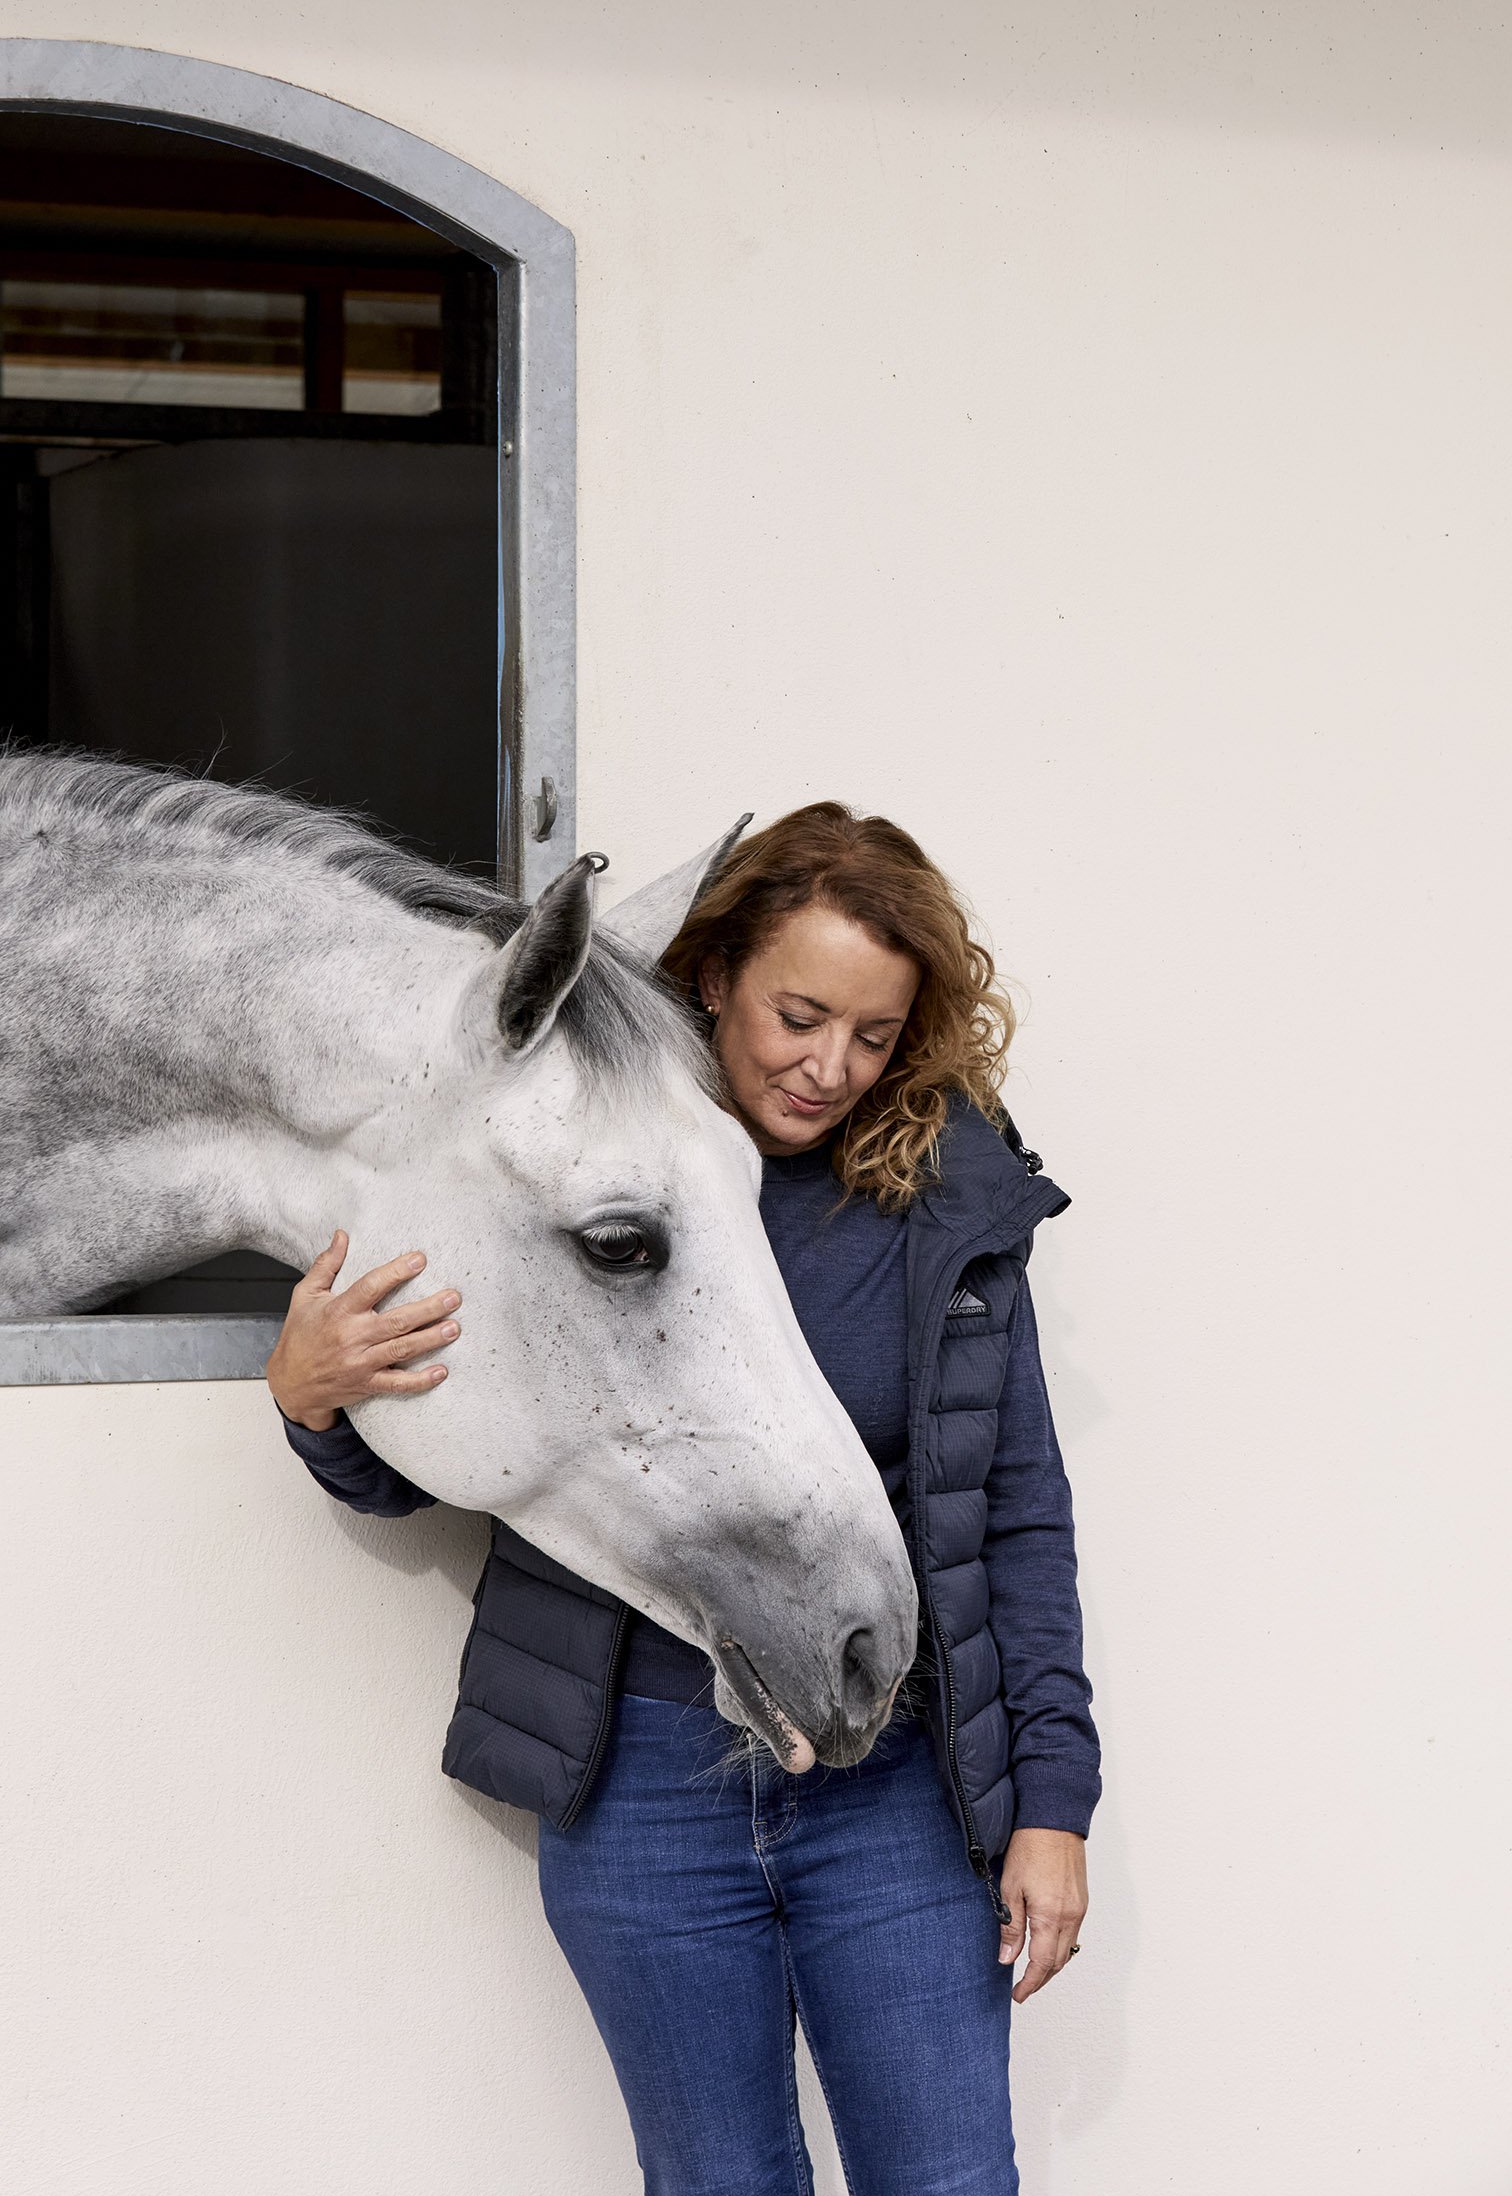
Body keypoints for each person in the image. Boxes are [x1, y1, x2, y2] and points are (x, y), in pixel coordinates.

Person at [266, 801, 1100, 2196]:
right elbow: (451, 1460)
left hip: (888, 1788)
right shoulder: (569, 1171)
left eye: (875, 1036)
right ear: (712, 979)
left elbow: (1017, 1514)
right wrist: (312, 1400)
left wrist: (1054, 1807)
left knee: (949, 2182)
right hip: (640, 1783)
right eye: (798, 1015)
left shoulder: (943, 1202)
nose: (830, 1066)